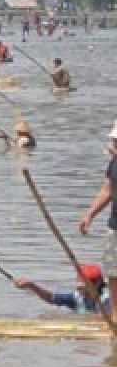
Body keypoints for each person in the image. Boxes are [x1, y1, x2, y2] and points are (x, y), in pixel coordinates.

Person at [78, 120, 117, 300]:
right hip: (115, 226)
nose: (112, 146)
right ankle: (115, 315)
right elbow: (107, 189)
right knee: (113, 270)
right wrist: (90, 214)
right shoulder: (114, 163)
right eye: (114, 141)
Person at [14, 264, 110, 314]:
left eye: (83, 285)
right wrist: (32, 286)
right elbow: (51, 298)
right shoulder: (76, 298)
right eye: (78, 282)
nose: (79, 288)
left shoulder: (108, 301)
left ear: (97, 284)